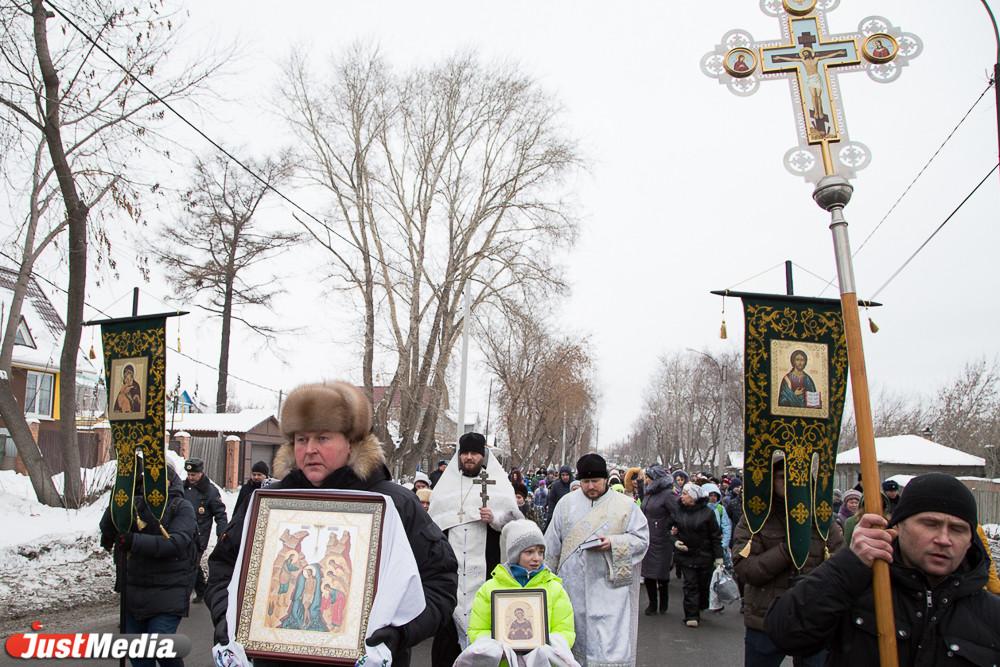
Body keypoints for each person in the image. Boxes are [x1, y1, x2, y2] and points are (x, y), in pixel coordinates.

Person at [204, 381, 458, 667]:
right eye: (301, 439)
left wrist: (399, 633)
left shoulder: (393, 504)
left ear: (351, 442)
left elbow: (440, 583)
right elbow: (224, 568)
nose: (310, 449)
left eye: (323, 438)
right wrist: (229, 618)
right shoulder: (270, 505)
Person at [765, 472, 1000, 664]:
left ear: (971, 540)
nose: (944, 539)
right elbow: (787, 633)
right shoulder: (857, 587)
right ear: (897, 526)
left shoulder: (991, 615)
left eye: (957, 529)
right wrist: (850, 564)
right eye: (930, 524)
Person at [732, 458, 844, 666]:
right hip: (764, 619)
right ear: (770, 481)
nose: (790, 482)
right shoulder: (756, 518)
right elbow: (745, 568)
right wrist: (787, 550)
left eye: (796, 477)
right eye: (782, 477)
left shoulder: (822, 520)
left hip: (812, 620)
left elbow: (839, 569)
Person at [544, 453, 649, 666]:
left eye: (595, 481)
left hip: (610, 592)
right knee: (572, 644)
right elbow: (552, 545)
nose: (590, 486)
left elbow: (641, 540)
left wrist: (613, 542)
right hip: (571, 590)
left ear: (605, 480)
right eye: (585, 481)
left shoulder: (625, 506)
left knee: (608, 650)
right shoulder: (566, 504)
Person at [428, 432, 521, 665]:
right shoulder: (445, 487)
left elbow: (517, 527)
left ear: (484, 455)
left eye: (474, 453)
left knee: (486, 631)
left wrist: (495, 518)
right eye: (465, 453)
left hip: (486, 573)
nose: (469, 458)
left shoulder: (497, 484)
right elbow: (433, 525)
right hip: (450, 576)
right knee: (446, 640)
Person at [99, 466, 197, 667]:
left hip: (168, 589)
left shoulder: (181, 507)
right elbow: (108, 527)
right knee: (139, 654)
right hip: (135, 590)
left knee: (162, 647)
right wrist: (122, 494)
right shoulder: (136, 504)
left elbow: (176, 543)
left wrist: (134, 542)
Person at [466, 520, 575, 657]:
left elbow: (564, 629)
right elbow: (478, 629)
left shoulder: (554, 588)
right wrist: (495, 647)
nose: (537, 558)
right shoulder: (490, 588)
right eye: (529, 552)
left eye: (541, 552)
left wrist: (547, 647)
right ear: (514, 555)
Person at [671, 481, 723, 628]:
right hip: (686, 555)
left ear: (693, 497)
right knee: (690, 585)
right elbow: (669, 530)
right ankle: (691, 615)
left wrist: (719, 557)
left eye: (686, 494)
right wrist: (675, 541)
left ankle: (700, 605)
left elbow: (715, 536)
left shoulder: (708, 513)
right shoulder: (678, 511)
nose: (682, 496)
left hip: (704, 555)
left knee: (702, 584)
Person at [182, 458, 228, 604]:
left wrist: (222, 531)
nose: (190, 478)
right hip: (182, 532)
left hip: (199, 535)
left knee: (190, 563)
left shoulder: (210, 491)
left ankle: (183, 597)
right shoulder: (182, 488)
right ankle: (202, 589)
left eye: (193, 475)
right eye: (189, 474)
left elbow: (220, 514)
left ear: (201, 473)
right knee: (189, 562)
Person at [639, 465, 676, 616]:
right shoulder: (648, 494)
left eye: (648, 477)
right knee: (647, 573)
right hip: (647, 537)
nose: (646, 480)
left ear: (656, 479)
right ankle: (652, 604)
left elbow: (677, 513)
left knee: (661, 573)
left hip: (662, 538)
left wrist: (666, 525)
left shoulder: (668, 495)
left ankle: (664, 603)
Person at [703, 482, 733, 567]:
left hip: (718, 543)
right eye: (710, 495)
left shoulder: (720, 508)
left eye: (715, 495)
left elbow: (726, 526)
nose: (713, 498)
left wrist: (724, 544)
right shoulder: (700, 509)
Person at [543, 465, 574, 530]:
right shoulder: (556, 485)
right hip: (558, 514)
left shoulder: (574, 485)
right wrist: (551, 515)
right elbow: (551, 500)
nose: (565, 477)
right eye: (563, 475)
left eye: (567, 475)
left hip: (572, 515)